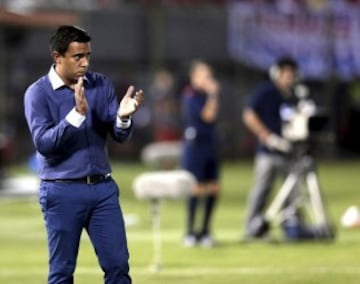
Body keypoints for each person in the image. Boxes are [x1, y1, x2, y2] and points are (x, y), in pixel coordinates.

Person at [24, 25, 144, 284]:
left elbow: (120, 137)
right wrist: (76, 115)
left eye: (88, 55)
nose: (85, 62)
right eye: (78, 57)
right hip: (61, 190)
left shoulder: (100, 84)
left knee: (118, 266)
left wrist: (123, 118)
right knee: (62, 272)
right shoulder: (37, 93)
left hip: (103, 190)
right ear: (57, 57)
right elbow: (44, 144)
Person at [242, 57, 299, 240]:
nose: (289, 79)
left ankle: (290, 226)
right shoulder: (266, 92)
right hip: (268, 152)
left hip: (289, 151)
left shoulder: (292, 95)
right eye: (286, 75)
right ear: (277, 74)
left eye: (292, 75)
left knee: (291, 191)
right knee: (261, 191)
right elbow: (249, 114)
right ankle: (252, 228)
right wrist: (266, 136)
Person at [181, 60, 221, 248]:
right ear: (194, 77)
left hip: (210, 146)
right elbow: (207, 116)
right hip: (195, 148)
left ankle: (205, 231)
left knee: (213, 187)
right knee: (195, 188)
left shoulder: (208, 96)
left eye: (209, 76)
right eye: (204, 76)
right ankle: (190, 232)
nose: (208, 80)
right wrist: (213, 95)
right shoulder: (191, 95)